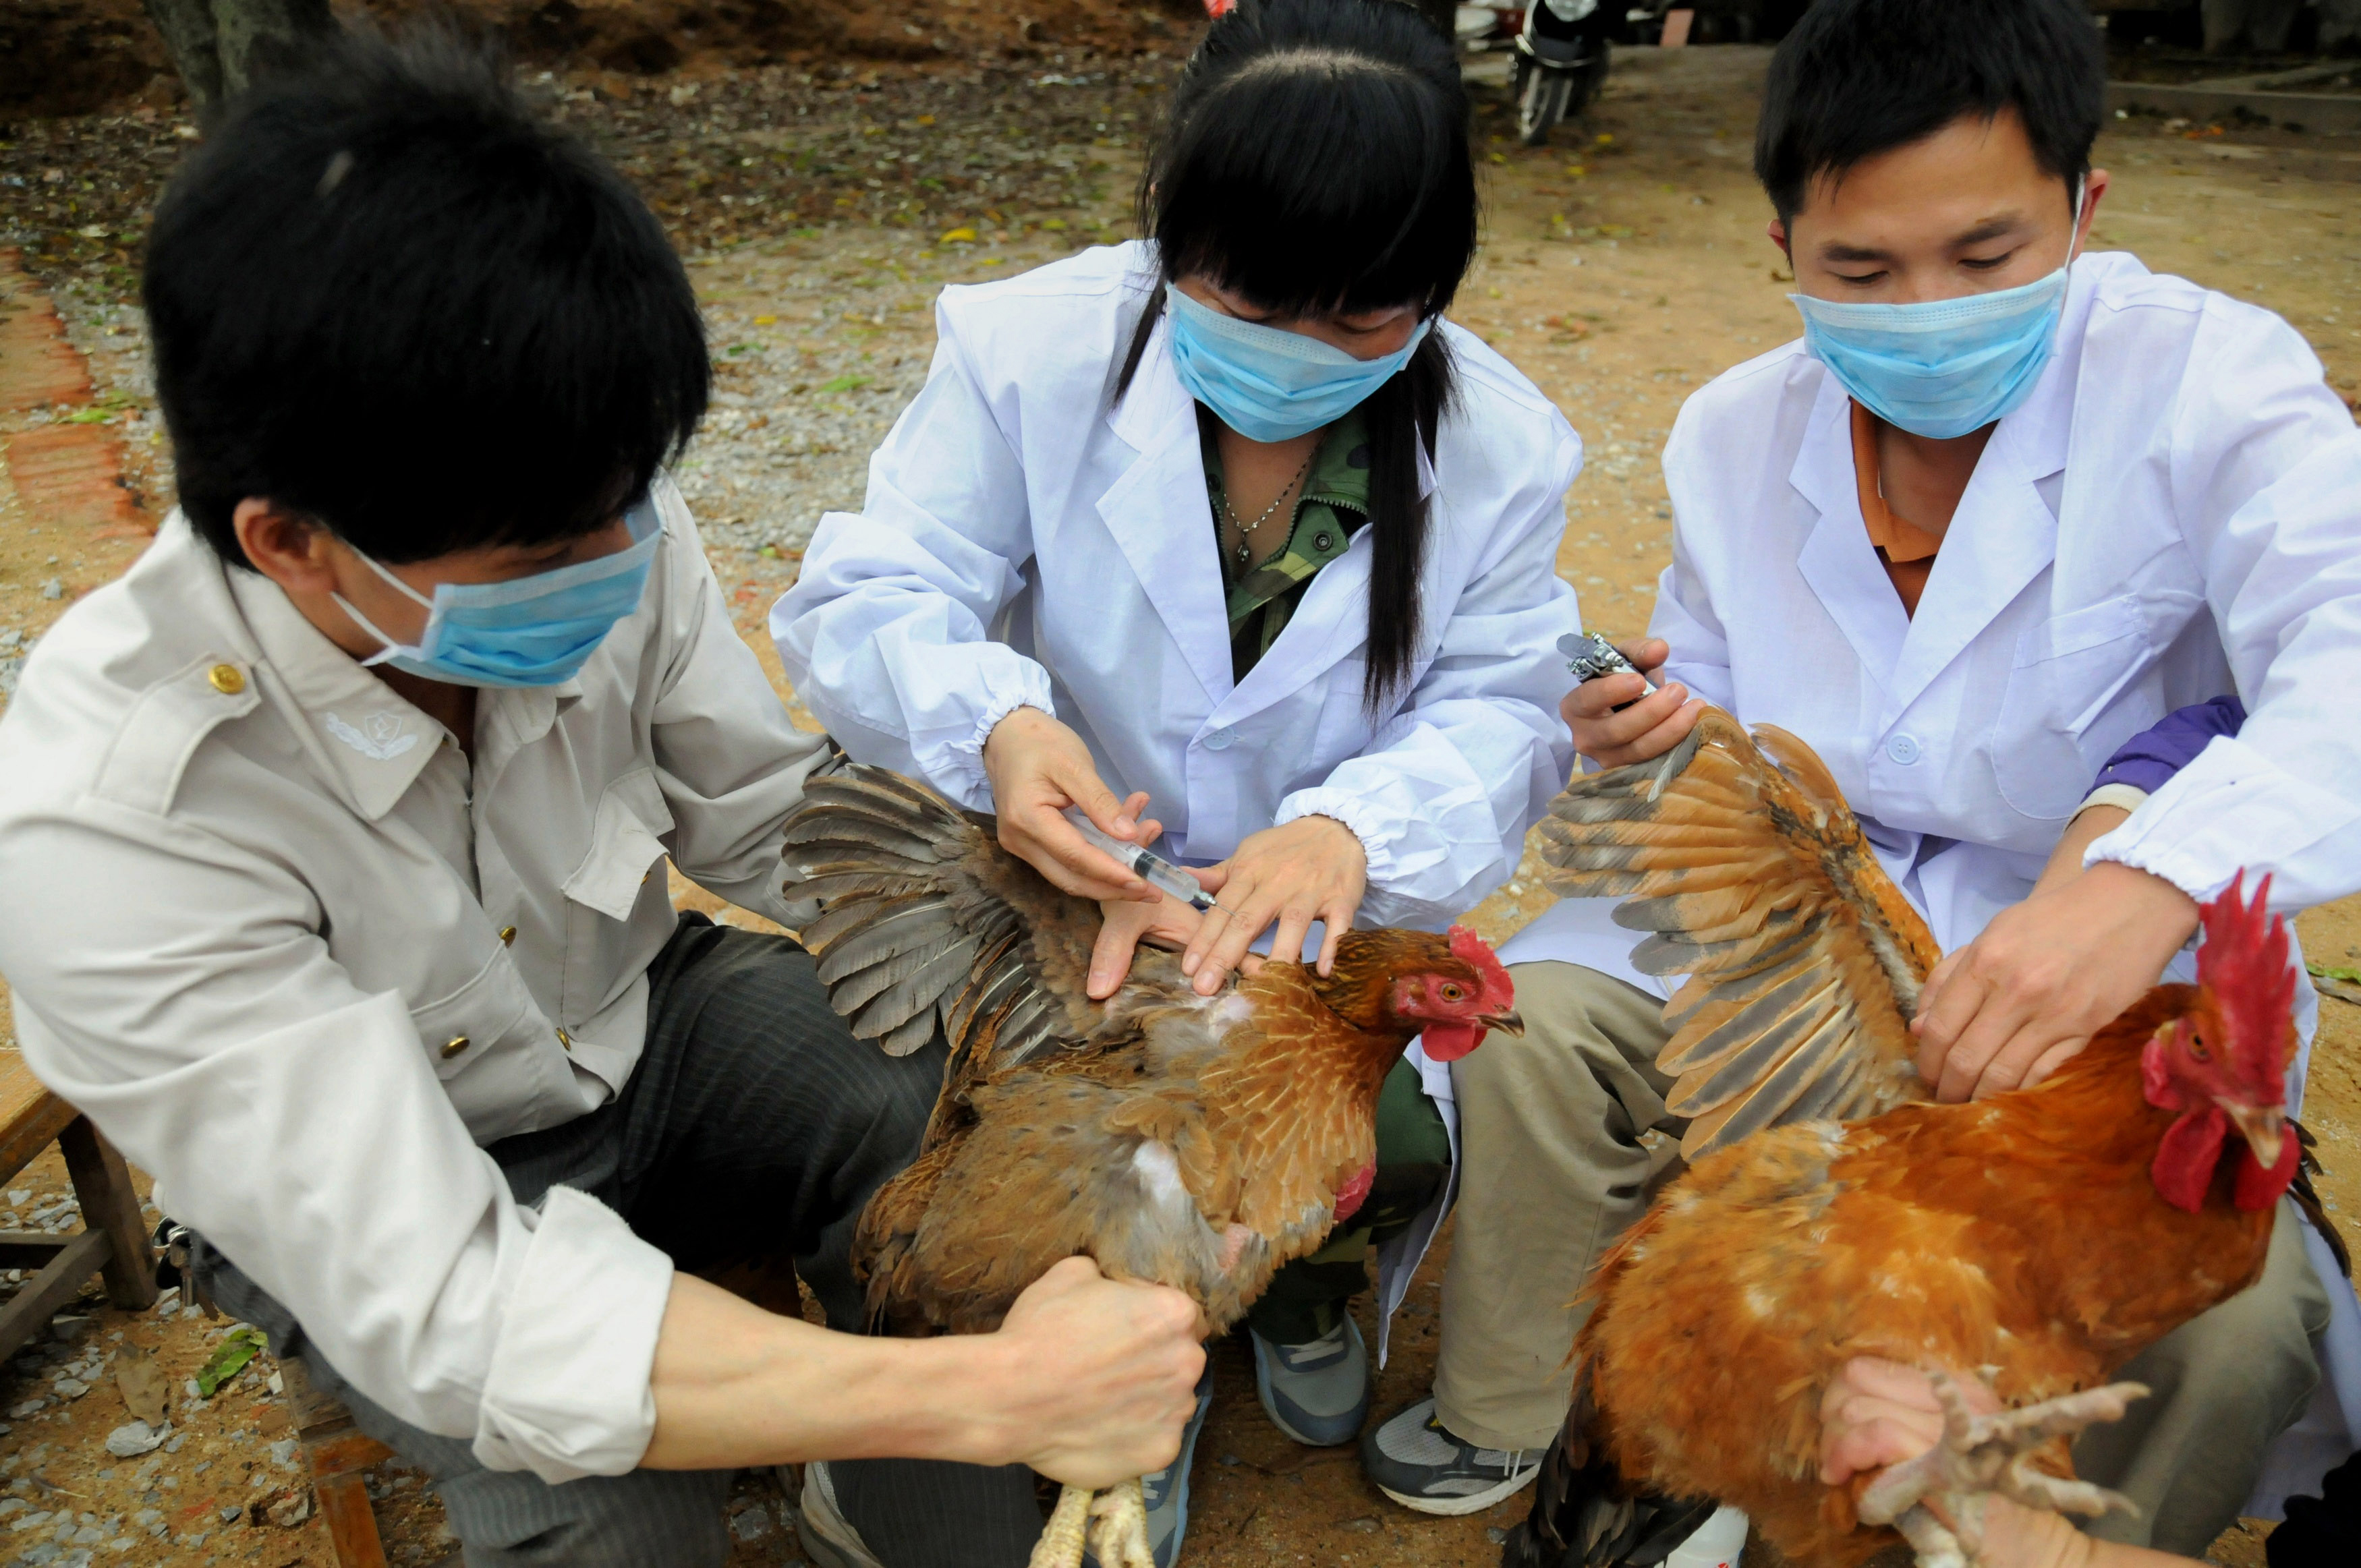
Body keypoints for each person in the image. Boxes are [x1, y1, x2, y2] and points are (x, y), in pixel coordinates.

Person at [0, 32, 1206, 1568]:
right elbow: (457, 1303)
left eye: (625, 509)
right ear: (293, 541)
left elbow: (764, 809)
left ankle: (934, 1531)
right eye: (541, 559)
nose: (615, 564)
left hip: (645, 1027)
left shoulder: (580, 500)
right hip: (410, 1179)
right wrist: (979, 1393)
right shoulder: (113, 828)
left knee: (941, 1128)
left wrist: (1031, 913)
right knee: (608, 1519)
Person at [1359, 0, 2361, 1549]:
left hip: (2088, 941)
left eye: (1983, 255)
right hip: (1808, 902)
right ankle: (1572, 1430)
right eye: (1859, 271)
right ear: (1781, 244)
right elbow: (1731, 685)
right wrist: (1668, 718)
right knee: (1536, 1030)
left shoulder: (2215, 392)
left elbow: (2345, 656)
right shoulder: (1730, 432)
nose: (1925, 309)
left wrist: (2142, 877)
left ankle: (2022, 1534)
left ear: (2084, 209)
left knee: (2228, 1311)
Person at [773, 0, 1579, 1552]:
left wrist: (1354, 823)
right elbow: (871, 595)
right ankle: (1144, 1363)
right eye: (1252, 297)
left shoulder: (1500, 446)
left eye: (1365, 318)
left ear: (1438, 289)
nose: (1299, 350)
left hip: (1301, 919)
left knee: (1373, 1139)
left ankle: (1299, 1292)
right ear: (1165, 231)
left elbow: (1509, 703)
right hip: (1063, 885)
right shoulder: (1027, 350)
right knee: (1085, 1159)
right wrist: (999, 726)